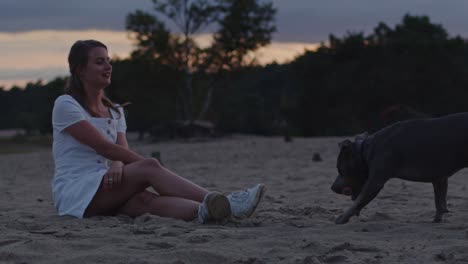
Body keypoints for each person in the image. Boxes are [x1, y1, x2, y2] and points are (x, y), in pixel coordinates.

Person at [51, 39, 265, 223]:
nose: (108, 66)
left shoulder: (115, 111)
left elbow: (119, 149)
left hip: (106, 183)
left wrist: (117, 164)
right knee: (150, 167)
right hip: (77, 190)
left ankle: (209, 211)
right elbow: (102, 146)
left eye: (109, 61)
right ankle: (227, 202)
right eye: (99, 62)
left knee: (145, 202)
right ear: (80, 70)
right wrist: (144, 165)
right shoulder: (66, 105)